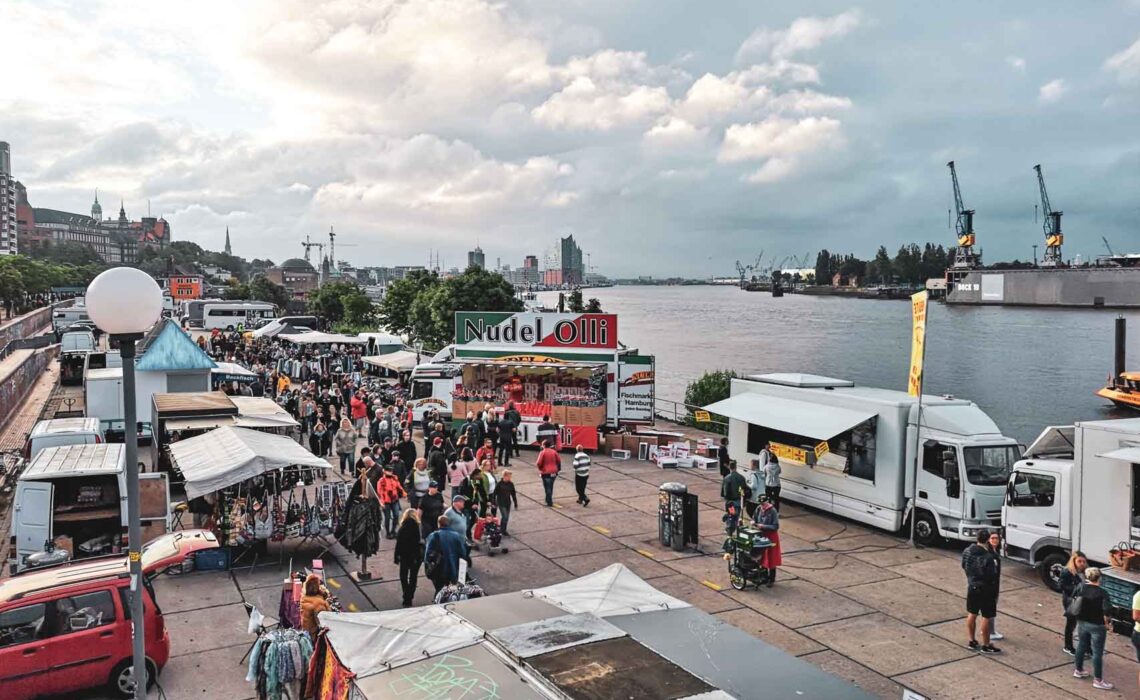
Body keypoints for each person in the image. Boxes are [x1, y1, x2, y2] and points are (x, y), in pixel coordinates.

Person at [1073, 567, 1114, 690]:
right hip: (1097, 625)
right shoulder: (1102, 592)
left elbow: (1074, 598)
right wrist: (1108, 623)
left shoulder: (1081, 587)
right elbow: (1107, 610)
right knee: (1097, 652)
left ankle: (1078, 670)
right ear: (1100, 578)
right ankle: (1098, 680)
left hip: (1082, 622)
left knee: (1081, 646)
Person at [962, 529, 1001, 654]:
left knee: (972, 614)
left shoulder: (967, 551)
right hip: (986, 589)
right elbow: (991, 575)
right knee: (986, 617)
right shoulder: (988, 557)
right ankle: (986, 644)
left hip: (972, 586)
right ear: (987, 540)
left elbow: (964, 565)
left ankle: (972, 640)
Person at [424, 515, 470, 592]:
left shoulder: (433, 536)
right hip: (453, 569)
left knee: (440, 591)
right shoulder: (456, 535)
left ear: (439, 524)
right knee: (452, 591)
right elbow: (463, 553)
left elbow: (427, 554)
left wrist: (427, 567)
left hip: (439, 569)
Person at [1061, 550, 1088, 655]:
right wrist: (1076, 589)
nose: (1082, 563)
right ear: (1074, 561)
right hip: (1071, 600)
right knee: (1071, 623)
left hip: (1082, 600)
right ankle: (1068, 646)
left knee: (1084, 624)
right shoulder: (1067, 571)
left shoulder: (1085, 572)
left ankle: (1086, 647)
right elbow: (1062, 585)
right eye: (1079, 561)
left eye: (1083, 561)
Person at [394, 509, 423, 607]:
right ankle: (409, 596)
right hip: (415, 556)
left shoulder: (403, 527)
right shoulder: (417, 527)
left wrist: (396, 556)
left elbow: (399, 544)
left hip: (404, 556)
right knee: (413, 577)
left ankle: (406, 595)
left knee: (403, 576)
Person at [752, 497, 782, 587]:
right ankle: (764, 576)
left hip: (771, 537)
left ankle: (771, 579)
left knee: (771, 558)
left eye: (764, 504)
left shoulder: (772, 511)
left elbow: (776, 526)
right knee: (762, 556)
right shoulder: (758, 508)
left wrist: (764, 526)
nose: (762, 506)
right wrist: (753, 522)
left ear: (767, 502)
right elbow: (754, 518)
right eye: (761, 504)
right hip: (762, 535)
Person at [378, 465, 406, 539]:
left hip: (394, 499)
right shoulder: (381, 480)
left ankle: (393, 530)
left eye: (391, 471)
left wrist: (403, 493)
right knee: (387, 517)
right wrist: (382, 502)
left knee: (396, 515)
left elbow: (399, 486)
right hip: (386, 501)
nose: (390, 472)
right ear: (385, 471)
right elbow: (380, 492)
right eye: (389, 471)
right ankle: (388, 533)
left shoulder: (394, 478)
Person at [299, 573, 331, 638]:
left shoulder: (304, 595)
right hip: (314, 632)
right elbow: (323, 622)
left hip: (306, 626)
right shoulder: (318, 604)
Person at [987, 530, 1004, 642]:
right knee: (990, 609)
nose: (995, 540)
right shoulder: (990, 555)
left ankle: (990, 630)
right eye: (992, 538)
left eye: (996, 538)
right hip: (991, 586)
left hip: (994, 585)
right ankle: (990, 631)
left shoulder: (995, 552)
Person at [536, 440, 561, 507]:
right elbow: (558, 460)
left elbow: (538, 463)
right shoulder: (554, 452)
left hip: (546, 472)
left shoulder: (542, 452)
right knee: (551, 486)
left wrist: (540, 469)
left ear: (544, 445)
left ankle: (549, 501)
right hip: (554, 472)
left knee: (547, 487)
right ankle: (548, 499)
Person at [495, 469, 518, 537]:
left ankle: (503, 529)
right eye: (509, 476)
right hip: (501, 502)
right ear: (504, 476)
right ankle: (502, 530)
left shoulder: (511, 484)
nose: (510, 478)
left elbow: (513, 493)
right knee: (505, 516)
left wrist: (515, 502)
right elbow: (495, 493)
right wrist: (493, 501)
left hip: (508, 502)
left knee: (506, 517)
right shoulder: (499, 484)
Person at [762, 445, 782, 511]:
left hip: (768, 484)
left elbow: (764, 472)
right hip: (776, 484)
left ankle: (769, 510)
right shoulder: (778, 466)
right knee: (776, 498)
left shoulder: (766, 466)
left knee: (768, 498)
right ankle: (776, 511)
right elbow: (779, 472)